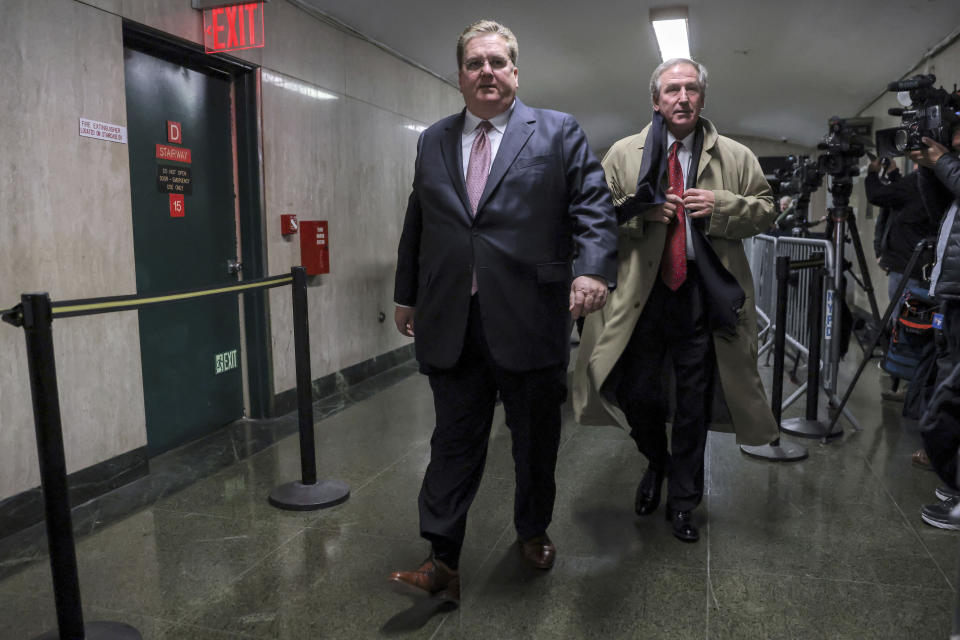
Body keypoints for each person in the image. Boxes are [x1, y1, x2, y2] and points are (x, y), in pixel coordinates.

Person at [390, 20, 618, 601]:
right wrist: (407, 292)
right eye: (475, 63)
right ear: (460, 75)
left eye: (497, 61)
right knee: (453, 440)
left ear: (516, 71)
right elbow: (420, 221)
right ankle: (441, 558)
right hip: (452, 321)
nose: (486, 72)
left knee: (534, 441)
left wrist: (591, 268)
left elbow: (593, 206)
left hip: (530, 316)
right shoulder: (433, 139)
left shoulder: (559, 132)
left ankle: (532, 529)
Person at [573, 57, 779, 543]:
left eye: (690, 89)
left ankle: (684, 500)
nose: (682, 98)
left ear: (702, 98)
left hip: (702, 298)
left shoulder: (735, 155)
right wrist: (642, 213)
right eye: (672, 90)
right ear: (655, 100)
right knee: (638, 395)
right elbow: (595, 218)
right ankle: (656, 464)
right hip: (641, 299)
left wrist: (724, 206)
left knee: (692, 405)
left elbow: (767, 208)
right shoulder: (624, 153)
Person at [908, 128, 960, 529]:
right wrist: (929, 170)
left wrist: (944, 161)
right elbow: (939, 208)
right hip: (952, 292)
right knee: (947, 385)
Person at [864, 154, 937, 402]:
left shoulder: (918, 182)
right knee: (916, 325)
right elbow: (901, 195)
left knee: (907, 328)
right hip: (919, 267)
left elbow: (877, 196)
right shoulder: (932, 185)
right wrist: (894, 175)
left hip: (908, 270)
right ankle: (913, 383)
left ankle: (909, 385)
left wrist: (872, 172)